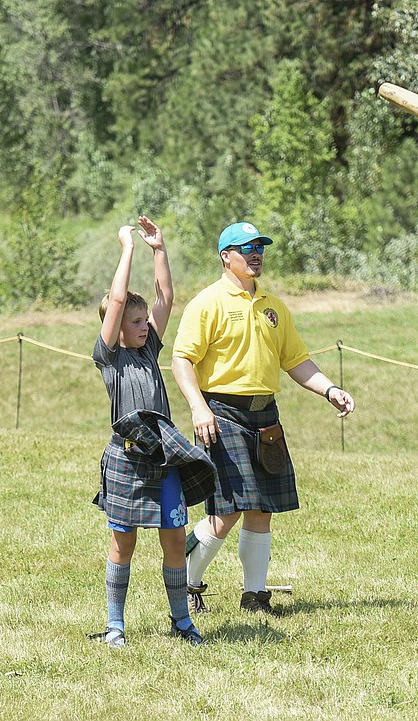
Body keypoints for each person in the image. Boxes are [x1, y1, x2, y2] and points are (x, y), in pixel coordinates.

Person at [172, 221, 355, 617]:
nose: (256, 254)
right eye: (246, 248)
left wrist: (329, 389)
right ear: (226, 256)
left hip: (264, 415)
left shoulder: (273, 305)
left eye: (260, 247)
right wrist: (198, 407)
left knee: (262, 508)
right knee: (226, 512)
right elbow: (181, 358)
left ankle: (254, 596)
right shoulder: (208, 302)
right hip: (220, 413)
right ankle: (185, 583)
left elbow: (296, 360)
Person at [90, 216, 209, 647]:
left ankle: (182, 622)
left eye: (146, 321)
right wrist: (127, 248)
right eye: (136, 321)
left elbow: (166, 296)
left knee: (174, 541)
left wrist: (159, 248)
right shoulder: (109, 356)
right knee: (123, 547)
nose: (145, 326)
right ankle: (115, 626)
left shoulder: (150, 349)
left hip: (165, 460)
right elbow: (118, 298)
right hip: (126, 460)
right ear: (118, 326)